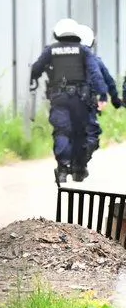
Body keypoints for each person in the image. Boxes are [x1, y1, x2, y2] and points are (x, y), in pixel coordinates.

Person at [28, 18, 107, 185]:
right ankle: (79, 169)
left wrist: (33, 78)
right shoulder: (84, 51)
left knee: (62, 131)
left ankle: (63, 169)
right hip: (81, 99)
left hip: (59, 98)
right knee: (81, 133)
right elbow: (95, 73)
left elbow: (36, 68)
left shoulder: (51, 50)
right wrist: (102, 95)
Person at [75, 24, 121, 180]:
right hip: (85, 105)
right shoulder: (94, 61)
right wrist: (114, 100)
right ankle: (79, 165)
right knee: (93, 135)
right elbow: (109, 82)